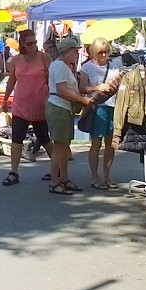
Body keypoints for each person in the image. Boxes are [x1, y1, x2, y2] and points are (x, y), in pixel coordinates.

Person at [0, 28, 52, 188]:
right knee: (17, 139)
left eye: (35, 42)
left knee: (44, 138)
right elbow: (11, 81)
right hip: (20, 106)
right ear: (22, 44)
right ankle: (13, 172)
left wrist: (52, 99)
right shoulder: (16, 61)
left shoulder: (44, 58)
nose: (33, 46)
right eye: (30, 43)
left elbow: (51, 80)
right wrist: (5, 99)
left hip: (40, 106)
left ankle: (58, 168)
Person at [46, 37, 92, 195]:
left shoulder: (62, 65)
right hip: (59, 107)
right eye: (74, 51)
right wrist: (82, 100)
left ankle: (64, 178)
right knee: (59, 147)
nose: (76, 55)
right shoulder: (59, 65)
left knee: (64, 147)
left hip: (64, 108)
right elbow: (62, 90)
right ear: (66, 51)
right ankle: (54, 181)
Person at [79, 37, 123, 190]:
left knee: (111, 144)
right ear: (93, 53)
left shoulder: (114, 65)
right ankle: (94, 176)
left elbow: (119, 85)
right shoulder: (87, 68)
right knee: (96, 143)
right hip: (97, 108)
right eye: (100, 53)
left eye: (106, 52)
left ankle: (107, 175)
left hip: (113, 106)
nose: (104, 56)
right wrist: (97, 87)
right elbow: (82, 88)